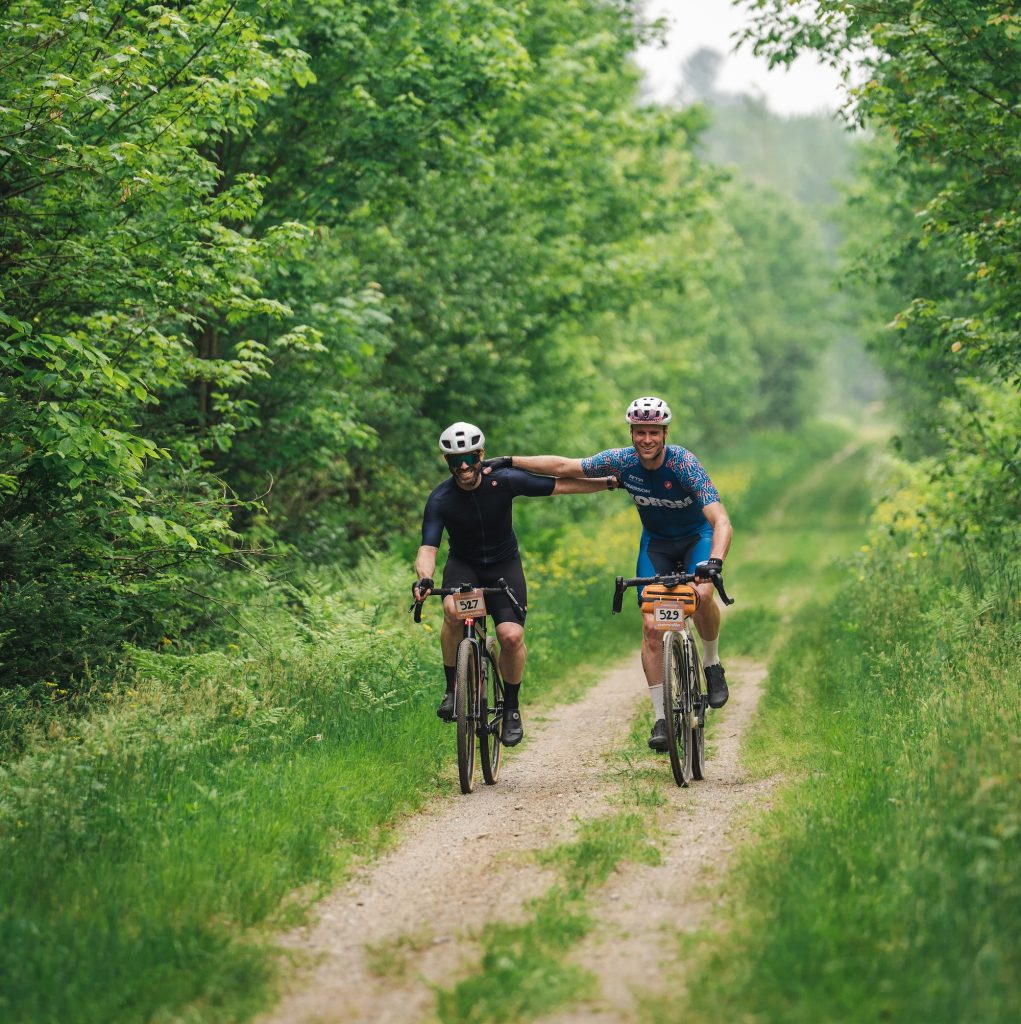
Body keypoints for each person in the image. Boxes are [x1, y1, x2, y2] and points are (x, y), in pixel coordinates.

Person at [485, 396, 733, 752]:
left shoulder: (683, 463)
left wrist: (715, 561)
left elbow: (721, 519)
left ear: (664, 434)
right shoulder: (622, 461)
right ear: (631, 433)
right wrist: (509, 461)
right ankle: (662, 718)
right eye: (640, 432)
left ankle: (712, 663)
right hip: (657, 546)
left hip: (697, 539)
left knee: (702, 594)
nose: (647, 439)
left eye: (654, 432)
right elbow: (565, 467)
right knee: (650, 625)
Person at [413, 421, 613, 747]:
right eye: (454, 460)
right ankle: (452, 688)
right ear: (446, 462)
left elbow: (560, 484)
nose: (463, 467)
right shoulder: (441, 499)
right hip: (464, 568)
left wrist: (607, 483)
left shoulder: (502, 481)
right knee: (452, 611)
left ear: (481, 454)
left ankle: (511, 709)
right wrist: (424, 578)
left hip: (503, 567)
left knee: (510, 635)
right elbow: (428, 548)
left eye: (468, 458)